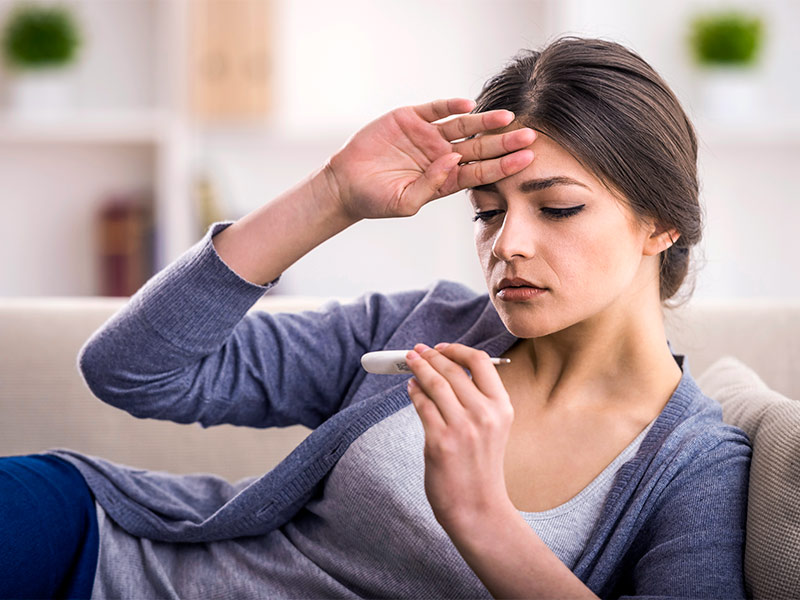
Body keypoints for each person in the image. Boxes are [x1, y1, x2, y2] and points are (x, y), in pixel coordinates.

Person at [0, 37, 750, 599]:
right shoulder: (424, 328)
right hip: (106, 556)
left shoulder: (693, 465)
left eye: (558, 209)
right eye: (487, 214)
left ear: (661, 224)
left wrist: (481, 515)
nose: (508, 245)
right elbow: (131, 369)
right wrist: (332, 194)